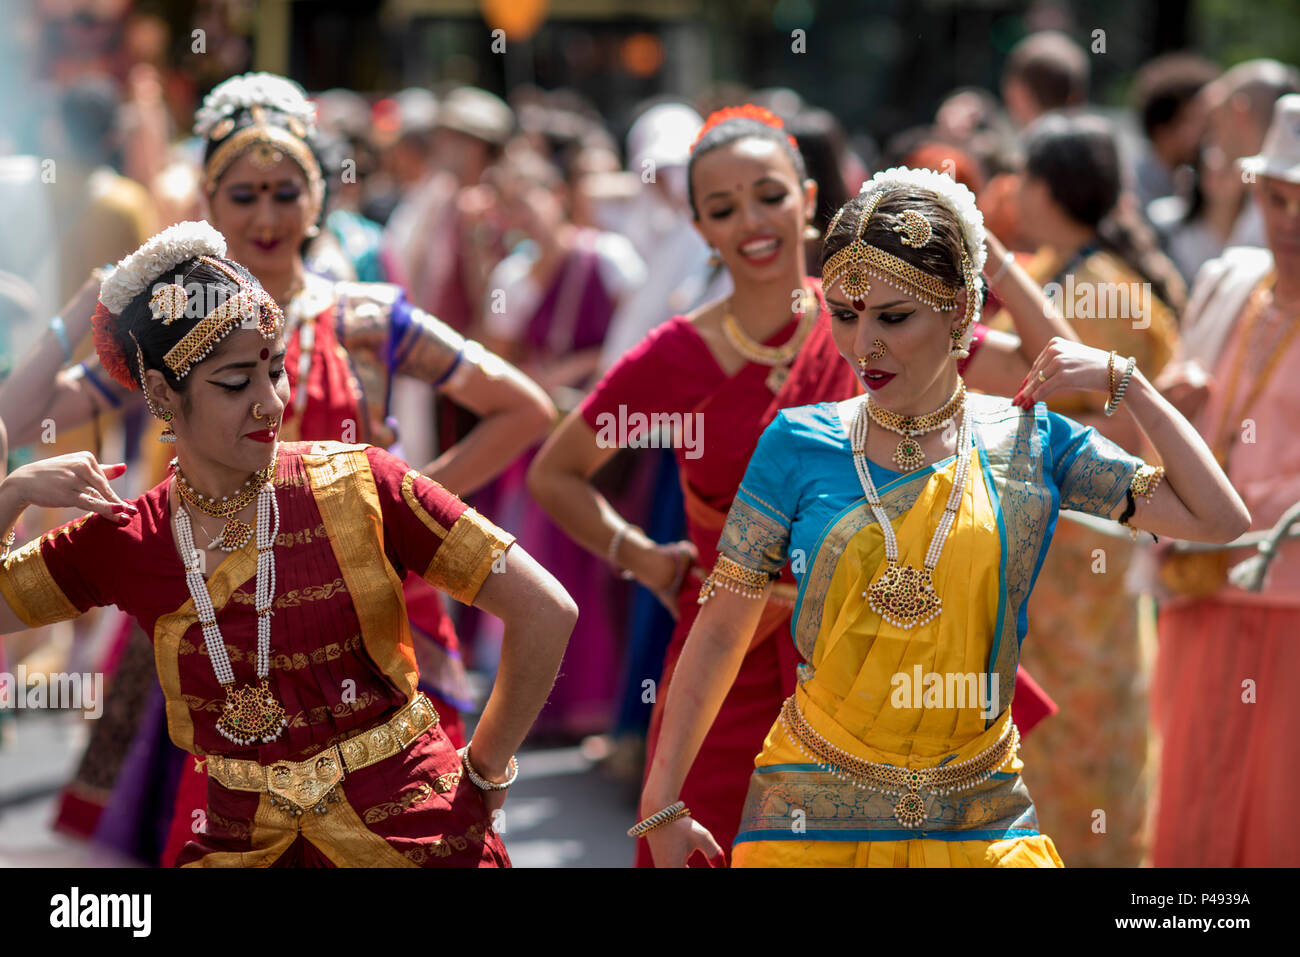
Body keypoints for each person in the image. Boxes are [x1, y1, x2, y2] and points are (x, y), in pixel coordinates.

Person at [0, 72, 554, 858]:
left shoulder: (366, 317)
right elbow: (16, 418)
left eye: (285, 191)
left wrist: (406, 510)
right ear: (209, 203)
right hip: (204, 600)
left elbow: (526, 408)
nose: (266, 214)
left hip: (367, 616)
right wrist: (90, 306)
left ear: (319, 199)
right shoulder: (172, 338)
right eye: (243, 193)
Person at [635, 166, 1249, 868]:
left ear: (960, 310)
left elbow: (1219, 517)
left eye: (893, 317)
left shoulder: (1031, 440)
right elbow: (720, 627)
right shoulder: (797, 443)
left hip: (980, 815)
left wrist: (1128, 382)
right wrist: (663, 797)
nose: (863, 345)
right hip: (812, 811)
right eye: (842, 313)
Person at [528, 108, 1075, 866]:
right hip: (726, 653)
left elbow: (1053, 375)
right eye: (723, 208)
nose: (752, 221)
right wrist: (642, 556)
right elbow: (554, 472)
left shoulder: (872, 319)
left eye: (769, 195)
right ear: (699, 227)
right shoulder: (676, 355)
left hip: (876, 652)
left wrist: (981, 248)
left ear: (810, 198)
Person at [1000, 112, 1182, 865]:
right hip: (1070, 546)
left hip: (1077, 544)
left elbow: (1146, 435)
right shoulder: (1103, 283)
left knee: (1071, 717)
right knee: (1085, 716)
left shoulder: (1085, 289)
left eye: (1025, 178)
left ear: (1046, 190)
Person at [1150, 94, 1300, 866]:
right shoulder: (1230, 281)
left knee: (1277, 808)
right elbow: (1171, 393)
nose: (1289, 219)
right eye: (1277, 197)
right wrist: (1177, 395)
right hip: (1200, 578)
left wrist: (1239, 512)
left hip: (1289, 601)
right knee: (1187, 793)